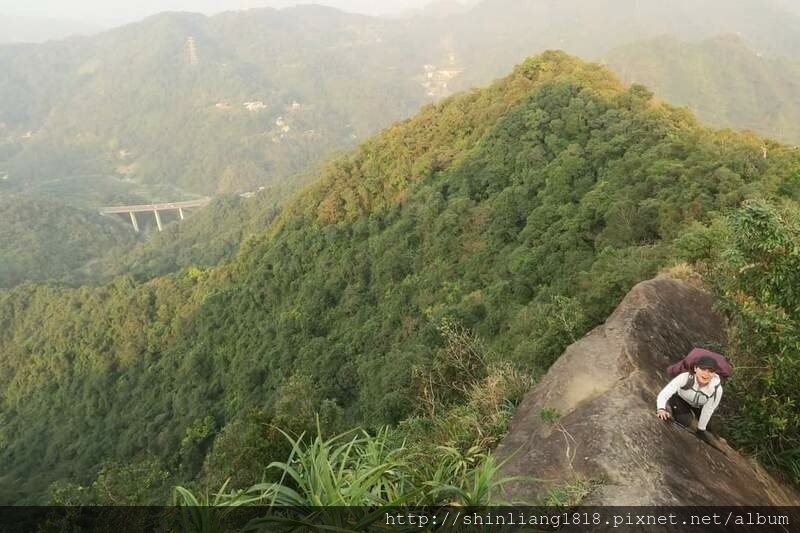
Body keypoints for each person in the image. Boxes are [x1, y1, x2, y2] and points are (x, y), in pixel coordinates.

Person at [656, 355, 722, 443]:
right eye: (702, 369)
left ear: (714, 374)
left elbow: (708, 409)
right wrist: (661, 409)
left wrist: (701, 430)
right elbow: (665, 393)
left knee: (708, 428)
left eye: (710, 371)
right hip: (681, 399)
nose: (706, 374)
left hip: (699, 405)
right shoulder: (685, 378)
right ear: (695, 368)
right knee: (684, 420)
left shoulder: (716, 389)